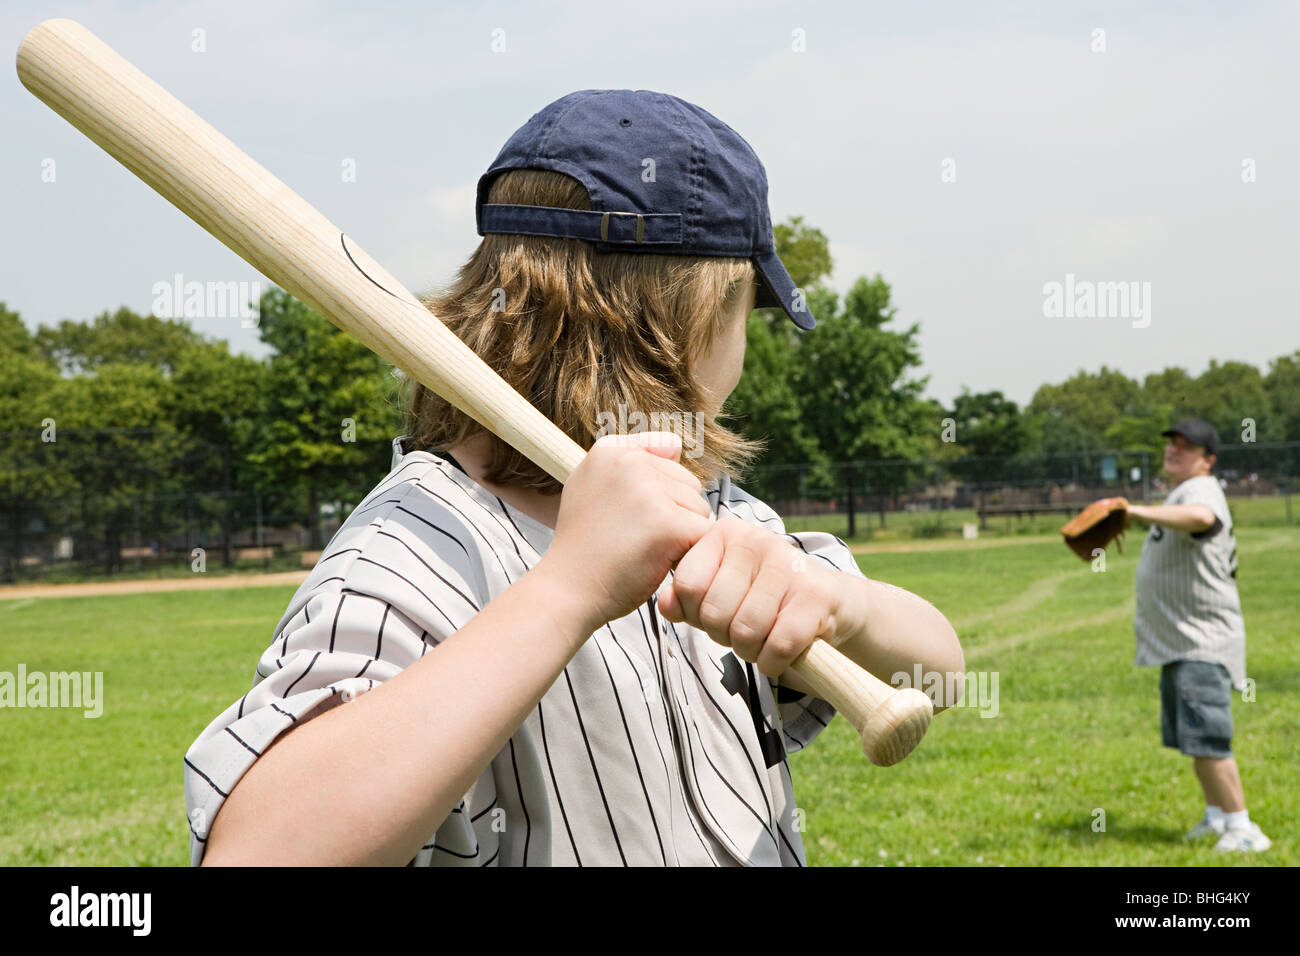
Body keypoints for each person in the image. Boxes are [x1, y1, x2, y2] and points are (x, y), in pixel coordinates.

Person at [184, 90, 963, 866]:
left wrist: (843, 608)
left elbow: (942, 676)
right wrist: (568, 589)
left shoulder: (706, 502)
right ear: (698, 317)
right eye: (748, 313)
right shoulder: (417, 547)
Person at [1127, 418, 1269, 852]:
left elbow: (1202, 519)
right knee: (1194, 737)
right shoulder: (1181, 491)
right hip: (1183, 641)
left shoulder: (1201, 491)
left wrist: (1132, 510)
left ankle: (1244, 829)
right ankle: (1216, 816)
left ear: (1207, 460)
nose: (1174, 450)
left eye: (1187, 447)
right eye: (1172, 443)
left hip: (1202, 641)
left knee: (1208, 737)